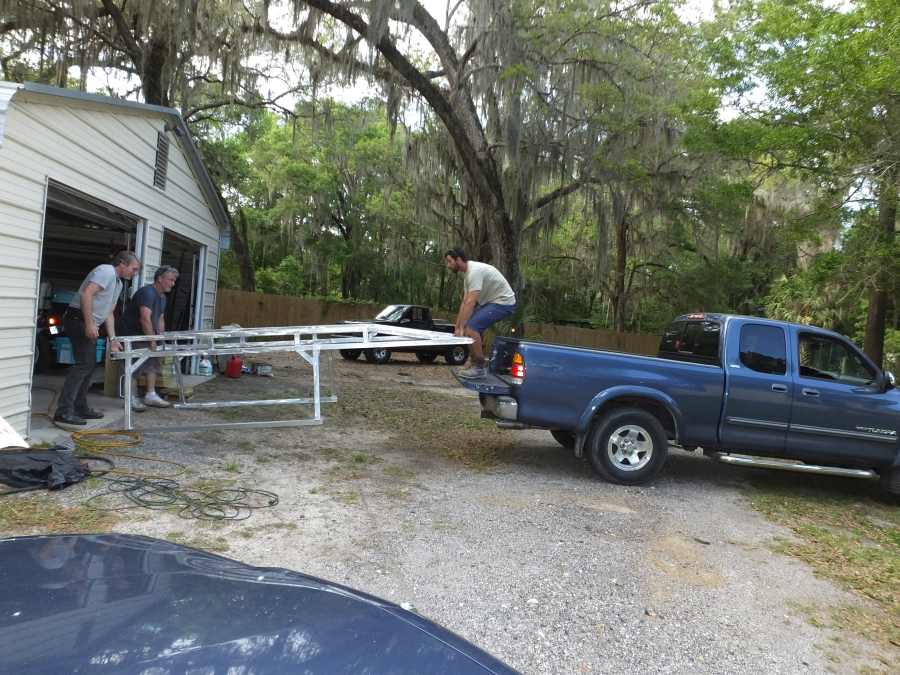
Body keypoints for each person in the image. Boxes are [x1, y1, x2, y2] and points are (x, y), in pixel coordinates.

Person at [53, 251, 141, 429]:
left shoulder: (118, 283)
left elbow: (109, 312)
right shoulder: (106, 271)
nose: (135, 273)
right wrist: (89, 323)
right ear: (122, 263)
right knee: (84, 364)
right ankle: (63, 412)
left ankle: (79, 407)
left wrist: (113, 339)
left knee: (89, 364)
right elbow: (87, 294)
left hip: (88, 321)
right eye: (134, 268)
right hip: (77, 319)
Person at [445, 247, 517, 378]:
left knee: (472, 329)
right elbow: (464, 302)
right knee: (469, 328)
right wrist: (458, 327)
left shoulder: (474, 272)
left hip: (504, 302)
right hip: (491, 302)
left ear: (459, 260)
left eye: (450, 261)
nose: (448, 266)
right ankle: (473, 363)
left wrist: (463, 327)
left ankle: (479, 368)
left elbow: (471, 303)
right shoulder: (467, 275)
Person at [120, 265, 179, 411]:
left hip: (146, 334)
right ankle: (130, 399)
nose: (173, 284)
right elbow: (145, 318)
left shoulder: (162, 297)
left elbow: (160, 319)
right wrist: (152, 340)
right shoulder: (147, 293)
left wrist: (161, 340)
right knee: (133, 367)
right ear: (160, 279)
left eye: (174, 281)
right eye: (170, 280)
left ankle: (150, 395)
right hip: (132, 335)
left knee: (152, 364)